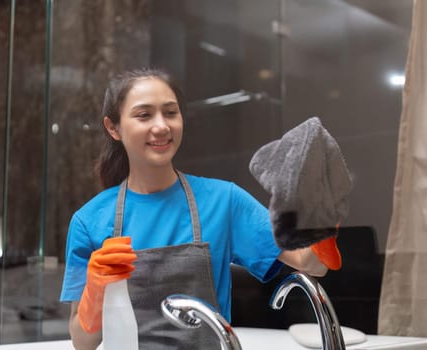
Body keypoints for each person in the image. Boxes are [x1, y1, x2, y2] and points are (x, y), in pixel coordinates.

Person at [60, 67, 328, 350]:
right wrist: (95, 292)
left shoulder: (224, 200)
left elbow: (312, 262)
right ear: (113, 128)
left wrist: (321, 204)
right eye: (144, 115)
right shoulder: (89, 221)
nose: (162, 126)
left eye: (171, 112)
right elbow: (83, 343)